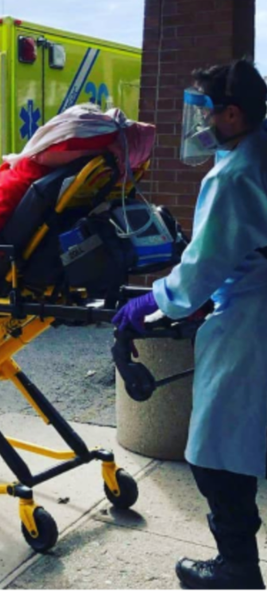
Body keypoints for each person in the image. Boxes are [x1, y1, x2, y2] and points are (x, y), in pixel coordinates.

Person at [113, 58, 267, 590]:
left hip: (251, 321)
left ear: (232, 114)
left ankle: (236, 568)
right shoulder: (260, 150)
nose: (198, 126)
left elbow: (202, 270)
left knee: (216, 453)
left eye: (205, 113)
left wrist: (149, 304)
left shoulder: (236, 175)